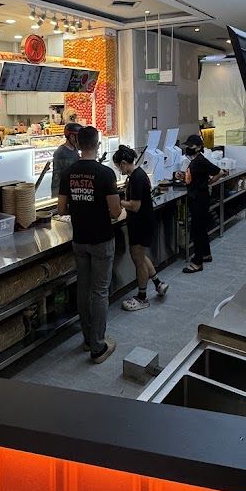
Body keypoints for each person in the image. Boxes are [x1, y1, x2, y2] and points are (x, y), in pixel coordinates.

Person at [58, 125, 120, 364]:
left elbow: (61, 209)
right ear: (97, 144)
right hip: (101, 239)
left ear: (78, 144)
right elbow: (115, 212)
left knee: (83, 290)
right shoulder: (105, 174)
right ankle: (98, 347)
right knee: (100, 292)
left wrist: (80, 208)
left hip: (80, 239)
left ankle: (87, 339)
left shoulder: (69, 173)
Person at [113, 145, 168, 311]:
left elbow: (135, 206)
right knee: (141, 257)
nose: (119, 170)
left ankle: (142, 298)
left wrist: (118, 202)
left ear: (124, 163)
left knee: (138, 260)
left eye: (118, 167)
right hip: (143, 222)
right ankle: (158, 283)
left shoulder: (136, 178)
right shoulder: (137, 175)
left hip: (140, 224)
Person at [181, 134, 225, 274]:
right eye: (187, 146)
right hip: (197, 198)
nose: (188, 148)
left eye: (191, 146)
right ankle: (206, 254)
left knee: (197, 231)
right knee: (201, 228)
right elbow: (195, 177)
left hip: (200, 199)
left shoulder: (200, 160)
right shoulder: (195, 160)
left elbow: (220, 172)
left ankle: (197, 262)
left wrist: (210, 181)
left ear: (199, 147)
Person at [50, 121, 82, 199]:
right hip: (64, 192)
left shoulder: (75, 149)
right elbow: (56, 177)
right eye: (78, 137)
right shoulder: (60, 152)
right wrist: (56, 197)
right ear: (72, 136)